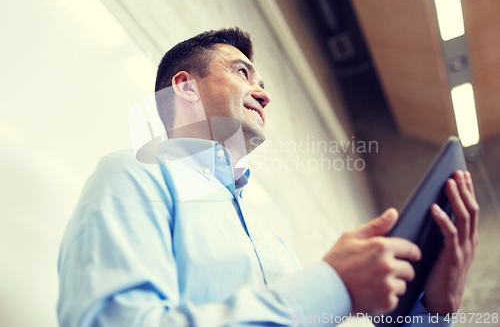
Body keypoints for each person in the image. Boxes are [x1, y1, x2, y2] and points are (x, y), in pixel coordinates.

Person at [57, 28, 479, 327]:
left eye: (260, 80)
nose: (264, 93)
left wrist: (433, 312)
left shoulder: (274, 246)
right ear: (184, 86)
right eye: (242, 73)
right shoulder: (131, 175)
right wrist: (332, 284)